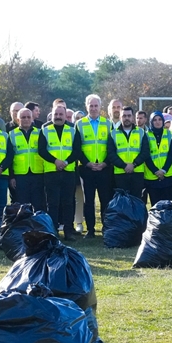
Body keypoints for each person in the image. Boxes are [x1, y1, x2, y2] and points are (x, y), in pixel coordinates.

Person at [39, 102, 81, 238]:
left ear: (65, 116)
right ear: (52, 115)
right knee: (52, 203)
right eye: (56, 114)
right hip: (51, 171)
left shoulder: (73, 130)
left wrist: (66, 162)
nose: (58, 116)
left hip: (69, 172)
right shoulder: (44, 130)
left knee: (68, 202)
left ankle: (69, 230)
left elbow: (77, 150)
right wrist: (55, 161)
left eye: (61, 114)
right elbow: (41, 150)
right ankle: (53, 230)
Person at [76, 94, 113, 237]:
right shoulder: (80, 124)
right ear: (86, 107)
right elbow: (77, 148)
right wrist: (88, 164)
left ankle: (106, 228)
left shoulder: (107, 123)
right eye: (90, 105)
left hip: (104, 169)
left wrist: (105, 163)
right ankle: (90, 230)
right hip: (87, 169)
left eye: (96, 105)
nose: (93, 108)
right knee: (88, 201)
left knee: (105, 200)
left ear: (100, 107)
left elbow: (111, 147)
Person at [107, 106, 153, 200]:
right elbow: (111, 154)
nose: (126, 118)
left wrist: (134, 164)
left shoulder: (141, 132)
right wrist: (124, 166)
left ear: (132, 117)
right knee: (122, 202)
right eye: (124, 116)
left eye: (129, 116)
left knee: (137, 200)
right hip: (120, 173)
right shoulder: (113, 133)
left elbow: (145, 152)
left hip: (137, 172)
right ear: (120, 117)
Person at [9, 106, 45, 210]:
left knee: (38, 204)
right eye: (23, 117)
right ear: (18, 119)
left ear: (32, 118)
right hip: (20, 175)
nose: (26, 119)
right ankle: (24, 226)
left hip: (38, 173)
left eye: (28, 117)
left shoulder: (40, 133)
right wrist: (11, 176)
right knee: (22, 205)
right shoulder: (11, 135)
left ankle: (38, 225)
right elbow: (9, 157)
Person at [144, 111, 172, 205]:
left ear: (163, 121)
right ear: (151, 122)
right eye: (154, 120)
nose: (157, 122)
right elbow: (146, 155)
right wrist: (155, 171)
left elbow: (171, 154)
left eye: (159, 119)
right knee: (155, 207)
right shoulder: (145, 135)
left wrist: (164, 170)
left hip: (167, 176)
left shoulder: (170, 134)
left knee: (168, 206)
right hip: (152, 177)